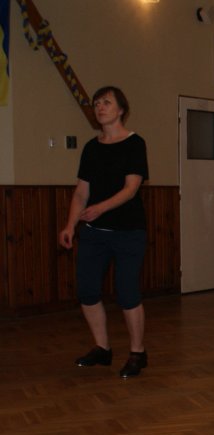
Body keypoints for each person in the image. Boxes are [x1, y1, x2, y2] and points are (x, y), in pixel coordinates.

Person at [59, 86, 150, 378]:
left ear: (121, 109)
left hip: (128, 231)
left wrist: (100, 208)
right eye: (97, 103)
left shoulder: (134, 144)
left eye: (106, 102)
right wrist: (70, 225)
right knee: (87, 290)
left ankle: (137, 353)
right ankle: (102, 348)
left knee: (127, 291)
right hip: (94, 233)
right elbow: (80, 193)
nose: (100, 107)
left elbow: (131, 188)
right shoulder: (91, 148)